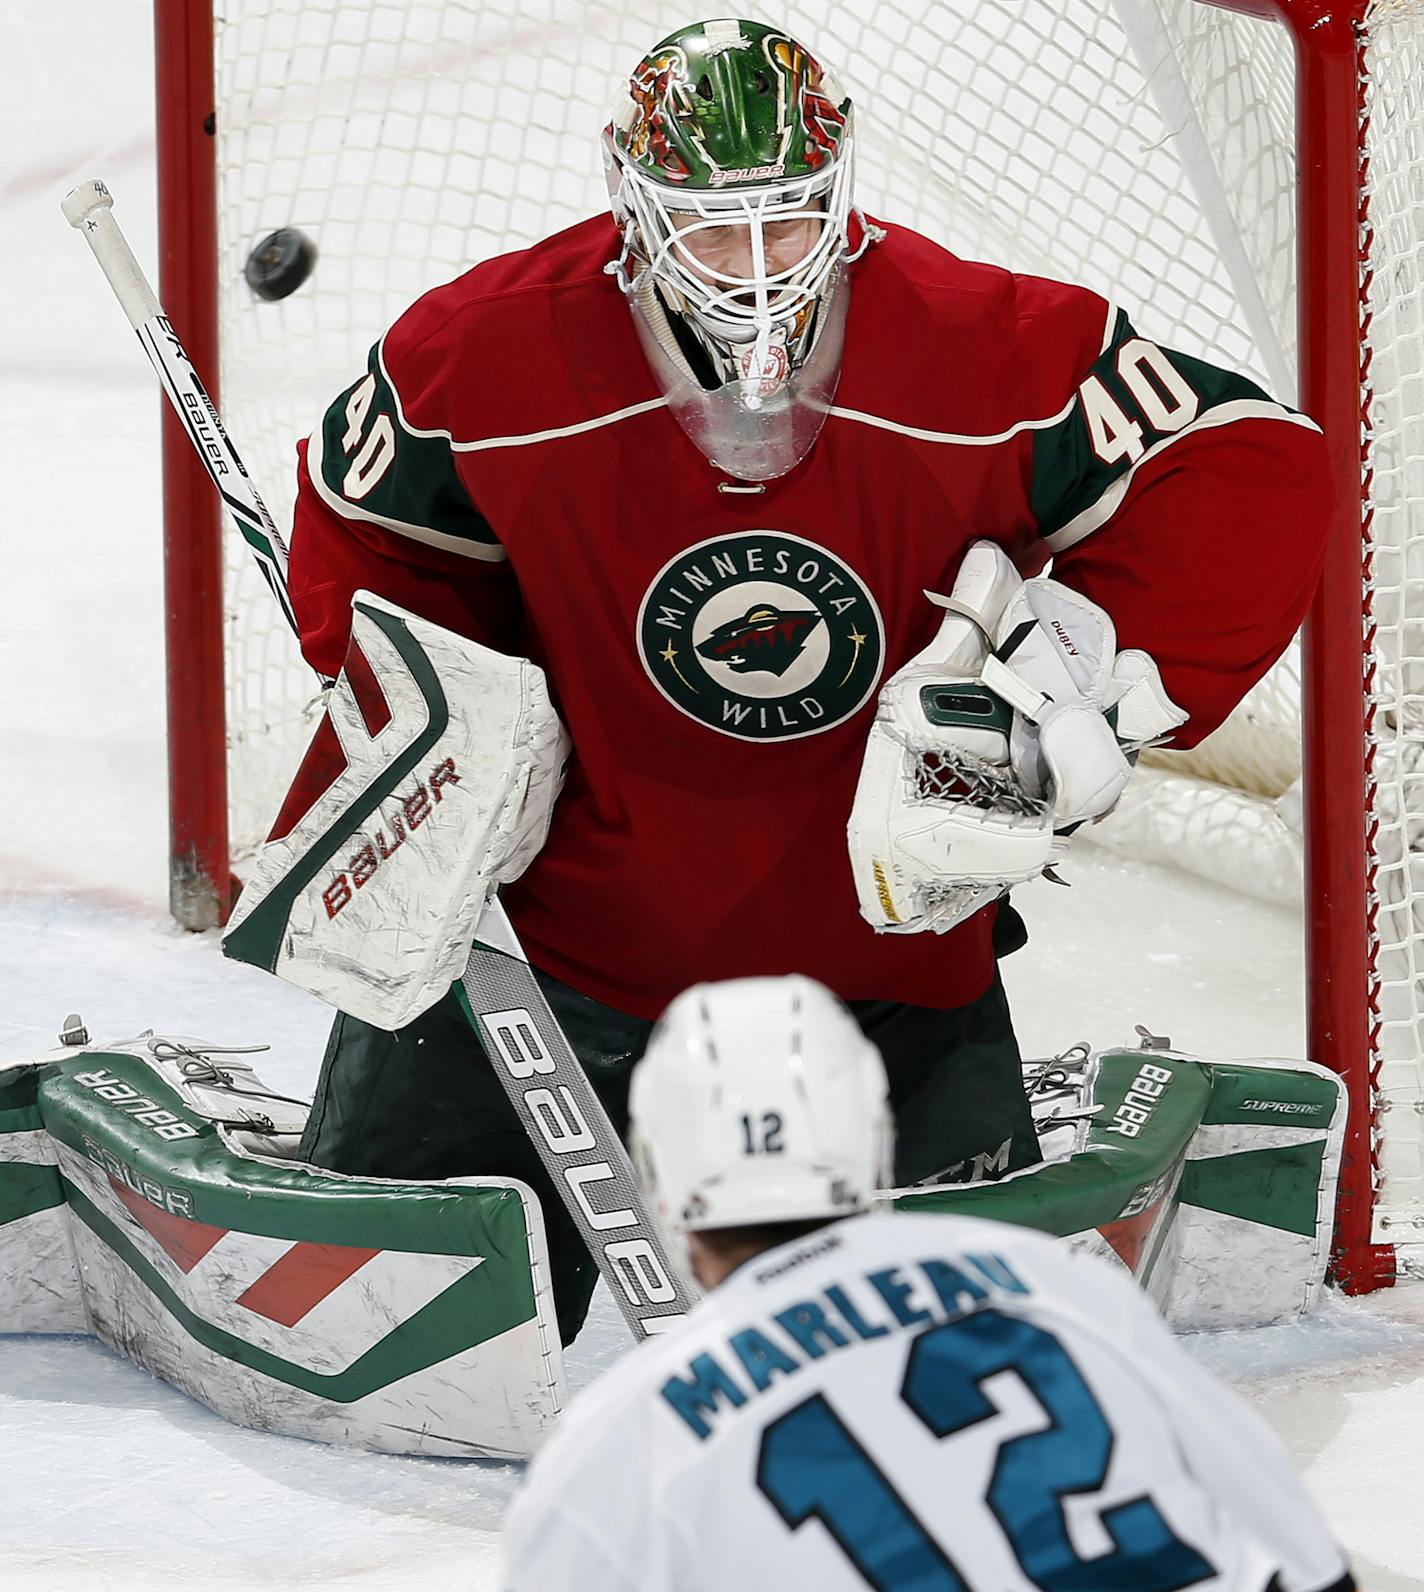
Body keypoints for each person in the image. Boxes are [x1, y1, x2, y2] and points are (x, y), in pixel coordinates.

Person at [285, 18, 1331, 1344]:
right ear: (630, 193)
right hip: (545, 953)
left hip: (884, 950)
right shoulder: (481, 358)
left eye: (788, 220)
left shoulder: (980, 347)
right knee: (379, 1306)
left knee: (959, 1353)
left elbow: (1248, 464)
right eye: (712, 227)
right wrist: (444, 718)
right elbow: (365, 529)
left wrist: (1075, 668)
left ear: (842, 188)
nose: (758, 267)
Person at [502, 974, 1354, 1592]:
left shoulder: (623, 1439)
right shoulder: (1048, 1282)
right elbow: (1305, 1566)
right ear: (871, 1143)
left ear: (657, 1178)